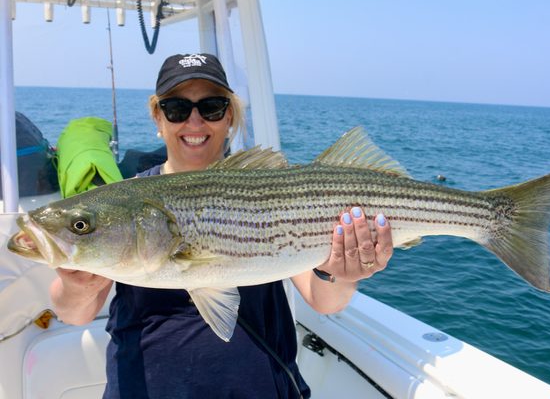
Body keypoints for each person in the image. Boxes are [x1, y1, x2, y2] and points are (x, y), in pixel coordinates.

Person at [49, 53, 394, 399]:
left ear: (229, 116)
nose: (195, 122)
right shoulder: (128, 201)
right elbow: (75, 314)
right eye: (177, 109)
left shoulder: (268, 186)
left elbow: (324, 301)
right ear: (158, 116)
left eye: (211, 107)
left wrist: (342, 273)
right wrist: (76, 285)